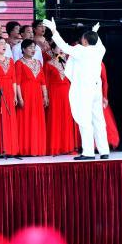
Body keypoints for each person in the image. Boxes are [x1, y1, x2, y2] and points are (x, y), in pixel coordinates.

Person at [42, 18, 109, 160]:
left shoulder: (80, 51)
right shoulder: (100, 50)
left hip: (84, 89)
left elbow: (63, 47)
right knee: (98, 119)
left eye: (82, 39)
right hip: (96, 89)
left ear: (84, 41)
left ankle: (88, 152)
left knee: (85, 120)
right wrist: (95, 33)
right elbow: (97, 43)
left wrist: (54, 30)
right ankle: (104, 151)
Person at [0, 36, 20, 156]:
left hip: (9, 91)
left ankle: (10, 148)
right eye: (1, 43)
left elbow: (14, 79)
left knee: (9, 117)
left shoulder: (10, 60)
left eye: (4, 43)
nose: (4, 45)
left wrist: (15, 95)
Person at [15, 40, 48, 155]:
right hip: (26, 94)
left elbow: (43, 81)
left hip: (37, 94)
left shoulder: (38, 62)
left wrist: (45, 96)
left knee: (36, 120)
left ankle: (37, 148)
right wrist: (20, 98)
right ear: (23, 49)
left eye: (34, 47)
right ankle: (25, 148)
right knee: (26, 120)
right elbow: (17, 83)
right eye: (30, 47)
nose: (33, 50)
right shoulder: (19, 63)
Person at [45, 43, 77, 155]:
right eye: (59, 47)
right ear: (53, 50)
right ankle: (56, 147)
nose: (62, 50)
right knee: (56, 118)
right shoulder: (48, 64)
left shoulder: (68, 63)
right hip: (55, 93)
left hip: (68, 92)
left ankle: (68, 146)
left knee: (67, 118)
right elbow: (46, 82)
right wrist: (46, 96)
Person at [100, 62, 120, 149]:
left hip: (98, 95)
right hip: (86, 95)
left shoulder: (100, 64)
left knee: (104, 120)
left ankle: (104, 144)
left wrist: (105, 96)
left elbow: (105, 81)